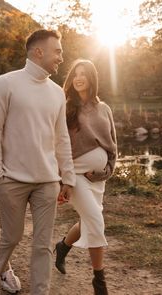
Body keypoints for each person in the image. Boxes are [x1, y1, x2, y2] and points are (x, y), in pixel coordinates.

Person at [0, 29, 76, 295]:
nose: (61, 57)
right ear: (39, 51)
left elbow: (62, 138)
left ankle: (40, 291)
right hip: (11, 180)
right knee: (12, 236)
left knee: (43, 244)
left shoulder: (57, 93)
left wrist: (67, 177)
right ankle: (3, 269)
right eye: (57, 51)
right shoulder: (6, 84)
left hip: (47, 181)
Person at [55, 59, 117, 295]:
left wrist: (106, 171)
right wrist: (64, 179)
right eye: (75, 74)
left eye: (84, 74)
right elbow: (58, 145)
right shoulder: (65, 106)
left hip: (97, 178)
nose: (79, 78)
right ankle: (99, 282)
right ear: (71, 79)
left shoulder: (105, 109)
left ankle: (62, 247)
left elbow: (113, 145)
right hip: (75, 176)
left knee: (88, 221)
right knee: (95, 220)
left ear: (92, 79)